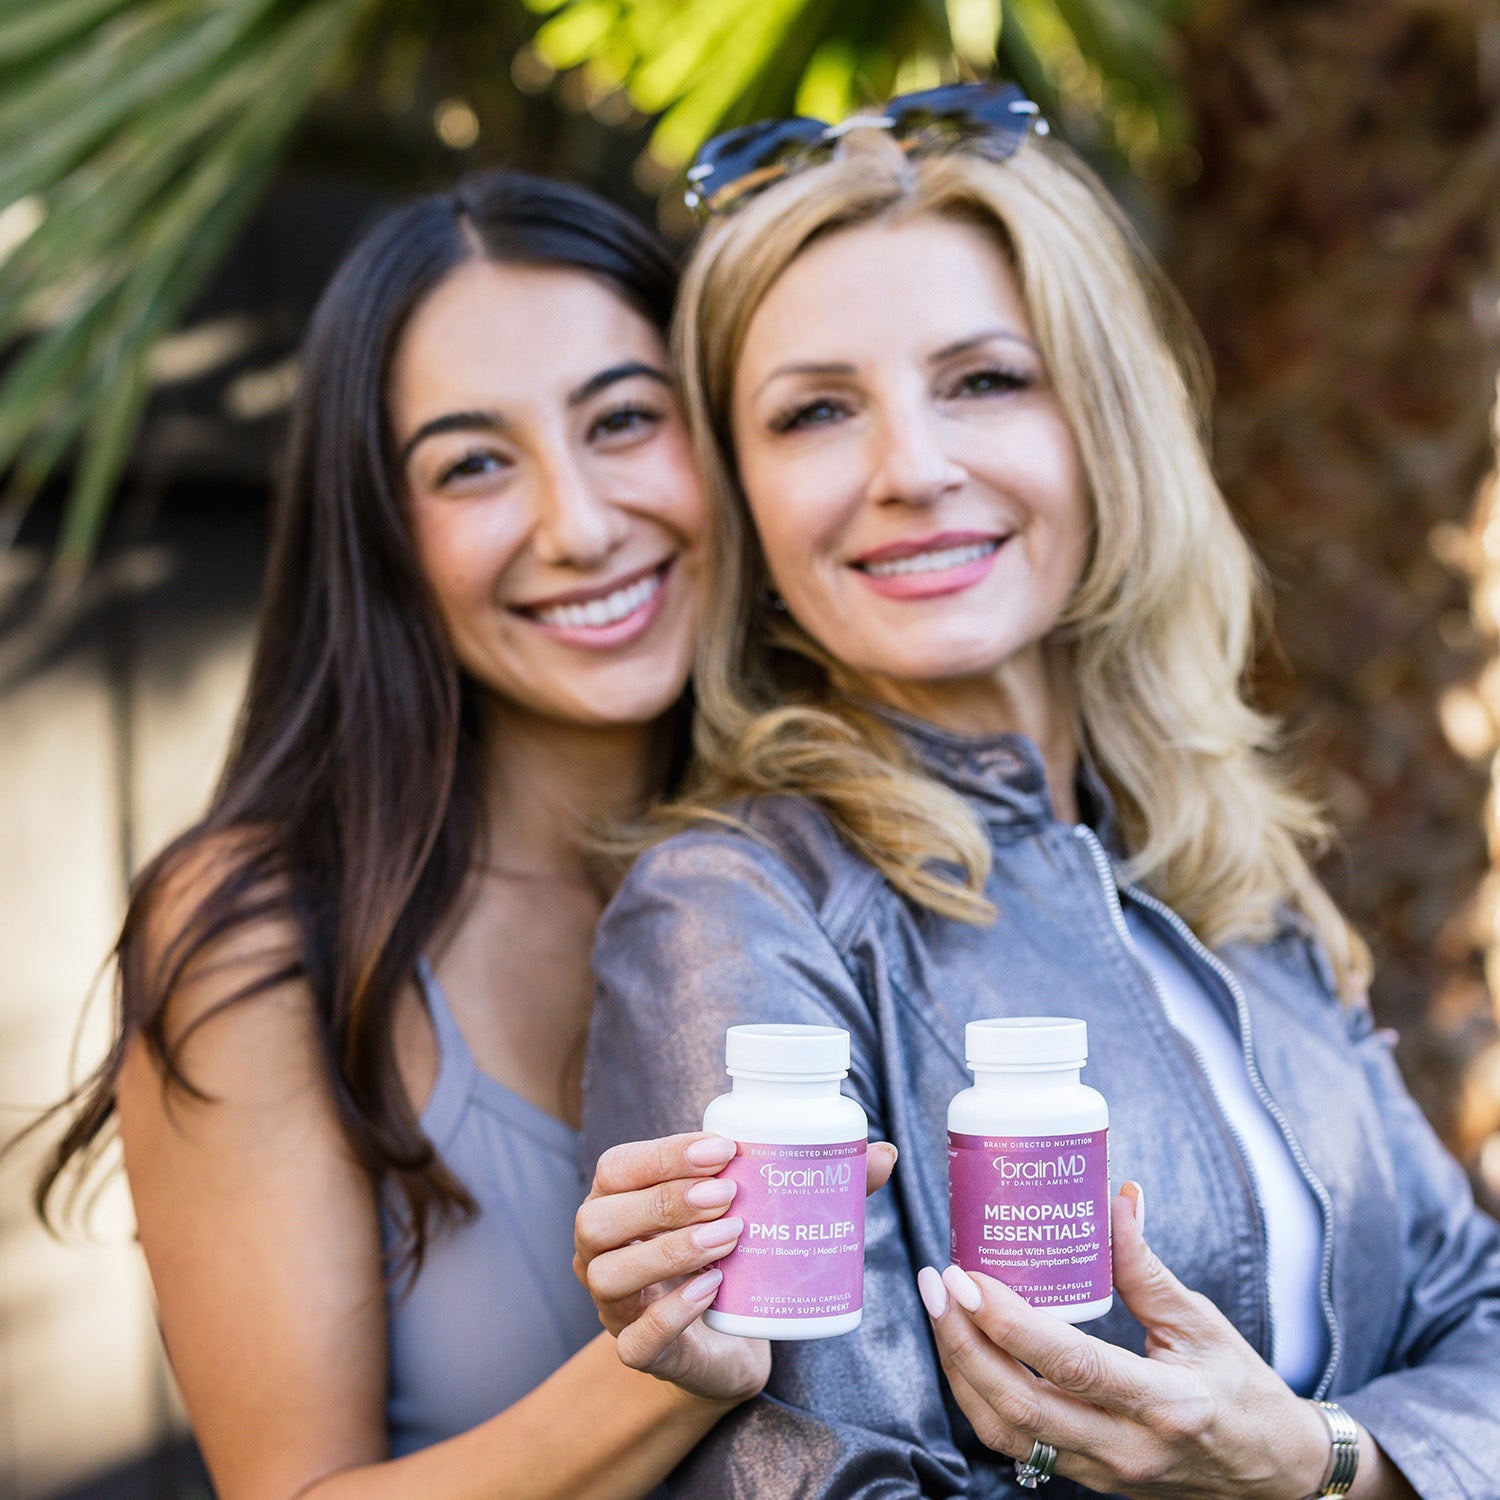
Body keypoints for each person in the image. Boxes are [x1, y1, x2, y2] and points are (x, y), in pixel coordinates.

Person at [579, 86, 1500, 1498]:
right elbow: (826, 1480)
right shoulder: (738, 908)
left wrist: (1318, 1466)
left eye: (985, 380)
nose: (913, 469)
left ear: (1102, 426)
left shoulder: (1218, 858)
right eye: (815, 411)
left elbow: (1477, 1312)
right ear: (745, 503)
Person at [31, 169, 899, 1500]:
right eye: (474, 463)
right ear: (380, 534)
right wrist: (655, 1371)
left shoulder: (872, 839)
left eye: (623, 420)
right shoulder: (267, 934)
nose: (581, 522)